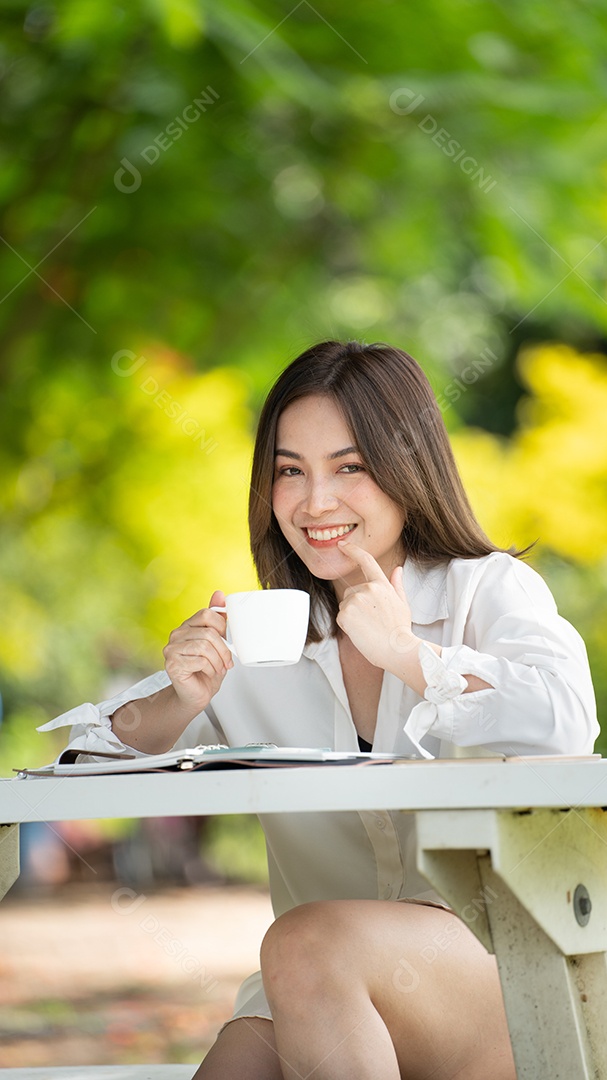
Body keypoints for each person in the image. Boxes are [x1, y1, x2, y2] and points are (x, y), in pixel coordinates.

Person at [45, 340, 598, 1079]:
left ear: (408, 470)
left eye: (350, 468)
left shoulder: (485, 590)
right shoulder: (263, 641)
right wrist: (178, 701)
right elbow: (79, 765)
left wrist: (410, 655)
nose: (315, 503)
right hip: (314, 988)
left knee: (304, 943)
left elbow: (566, 715)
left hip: (500, 967)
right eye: (289, 472)